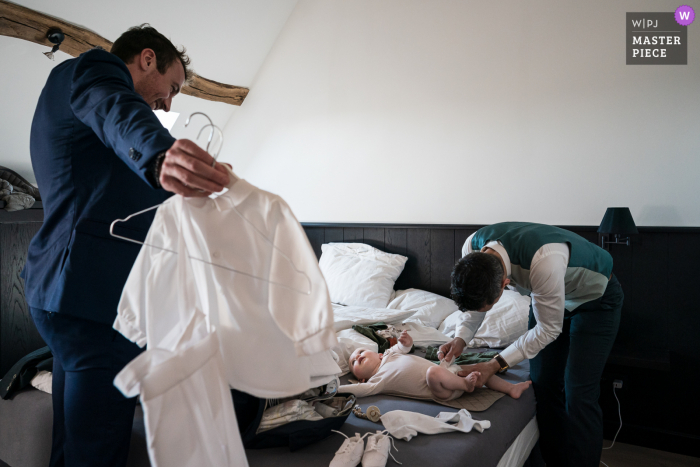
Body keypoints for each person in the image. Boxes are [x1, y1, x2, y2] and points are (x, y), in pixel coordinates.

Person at [22, 25, 230, 467]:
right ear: (147, 59)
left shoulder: (97, 137)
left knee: (74, 440)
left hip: (68, 294)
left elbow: (117, 188)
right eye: (171, 88)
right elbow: (120, 113)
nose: (169, 104)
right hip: (91, 300)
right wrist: (163, 158)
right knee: (97, 451)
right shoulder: (95, 72)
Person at [439, 222, 623, 467]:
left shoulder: (544, 261)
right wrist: (461, 337)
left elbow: (548, 328)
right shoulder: (472, 248)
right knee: (543, 383)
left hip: (595, 300)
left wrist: (495, 364)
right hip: (548, 297)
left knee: (579, 393)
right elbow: (476, 302)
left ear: (506, 285)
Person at [339, 331, 531, 401]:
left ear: (379, 354)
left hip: (448, 373)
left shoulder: (390, 354)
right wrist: (335, 389)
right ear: (362, 378)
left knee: (478, 367)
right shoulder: (376, 381)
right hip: (441, 390)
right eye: (354, 362)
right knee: (432, 372)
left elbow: (404, 348)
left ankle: (511, 388)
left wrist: (406, 341)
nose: (357, 357)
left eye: (360, 352)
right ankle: (466, 385)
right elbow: (359, 390)